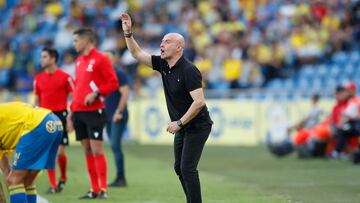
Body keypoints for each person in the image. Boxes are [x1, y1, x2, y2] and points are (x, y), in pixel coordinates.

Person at [121, 13, 213, 203]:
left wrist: (179, 122)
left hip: (197, 126)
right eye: (162, 41)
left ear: (179, 47)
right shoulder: (163, 64)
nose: (162, 44)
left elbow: (199, 102)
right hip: (182, 126)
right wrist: (128, 33)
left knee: (187, 168)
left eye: (167, 41)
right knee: (179, 168)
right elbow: (136, 54)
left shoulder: (189, 70)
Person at [67, 27, 119, 199]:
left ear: (86, 41)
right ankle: (94, 189)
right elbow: (78, 88)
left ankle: (103, 189)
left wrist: (96, 93)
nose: (74, 44)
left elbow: (113, 83)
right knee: (87, 150)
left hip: (94, 111)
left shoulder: (100, 59)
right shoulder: (79, 60)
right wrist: (71, 113)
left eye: (76, 40)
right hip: (79, 111)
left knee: (97, 150)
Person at [0, 102, 63, 203]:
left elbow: (10, 178)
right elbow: (6, 169)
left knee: (14, 180)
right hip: (54, 122)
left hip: (37, 125)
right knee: (26, 181)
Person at [34, 47, 73, 194]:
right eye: (41, 57)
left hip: (61, 116)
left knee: (60, 153)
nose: (41, 60)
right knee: (50, 152)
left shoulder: (65, 77)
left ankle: (63, 177)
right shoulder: (38, 78)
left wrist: (71, 116)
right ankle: (53, 185)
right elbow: (37, 100)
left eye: (44, 57)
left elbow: (74, 95)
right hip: (45, 117)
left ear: (53, 59)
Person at [103, 51, 129, 187]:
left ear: (115, 59)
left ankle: (121, 177)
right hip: (107, 115)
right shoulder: (103, 75)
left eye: (108, 57)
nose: (105, 59)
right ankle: (119, 176)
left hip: (117, 116)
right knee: (114, 146)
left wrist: (119, 111)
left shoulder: (119, 74)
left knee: (115, 145)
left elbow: (125, 94)